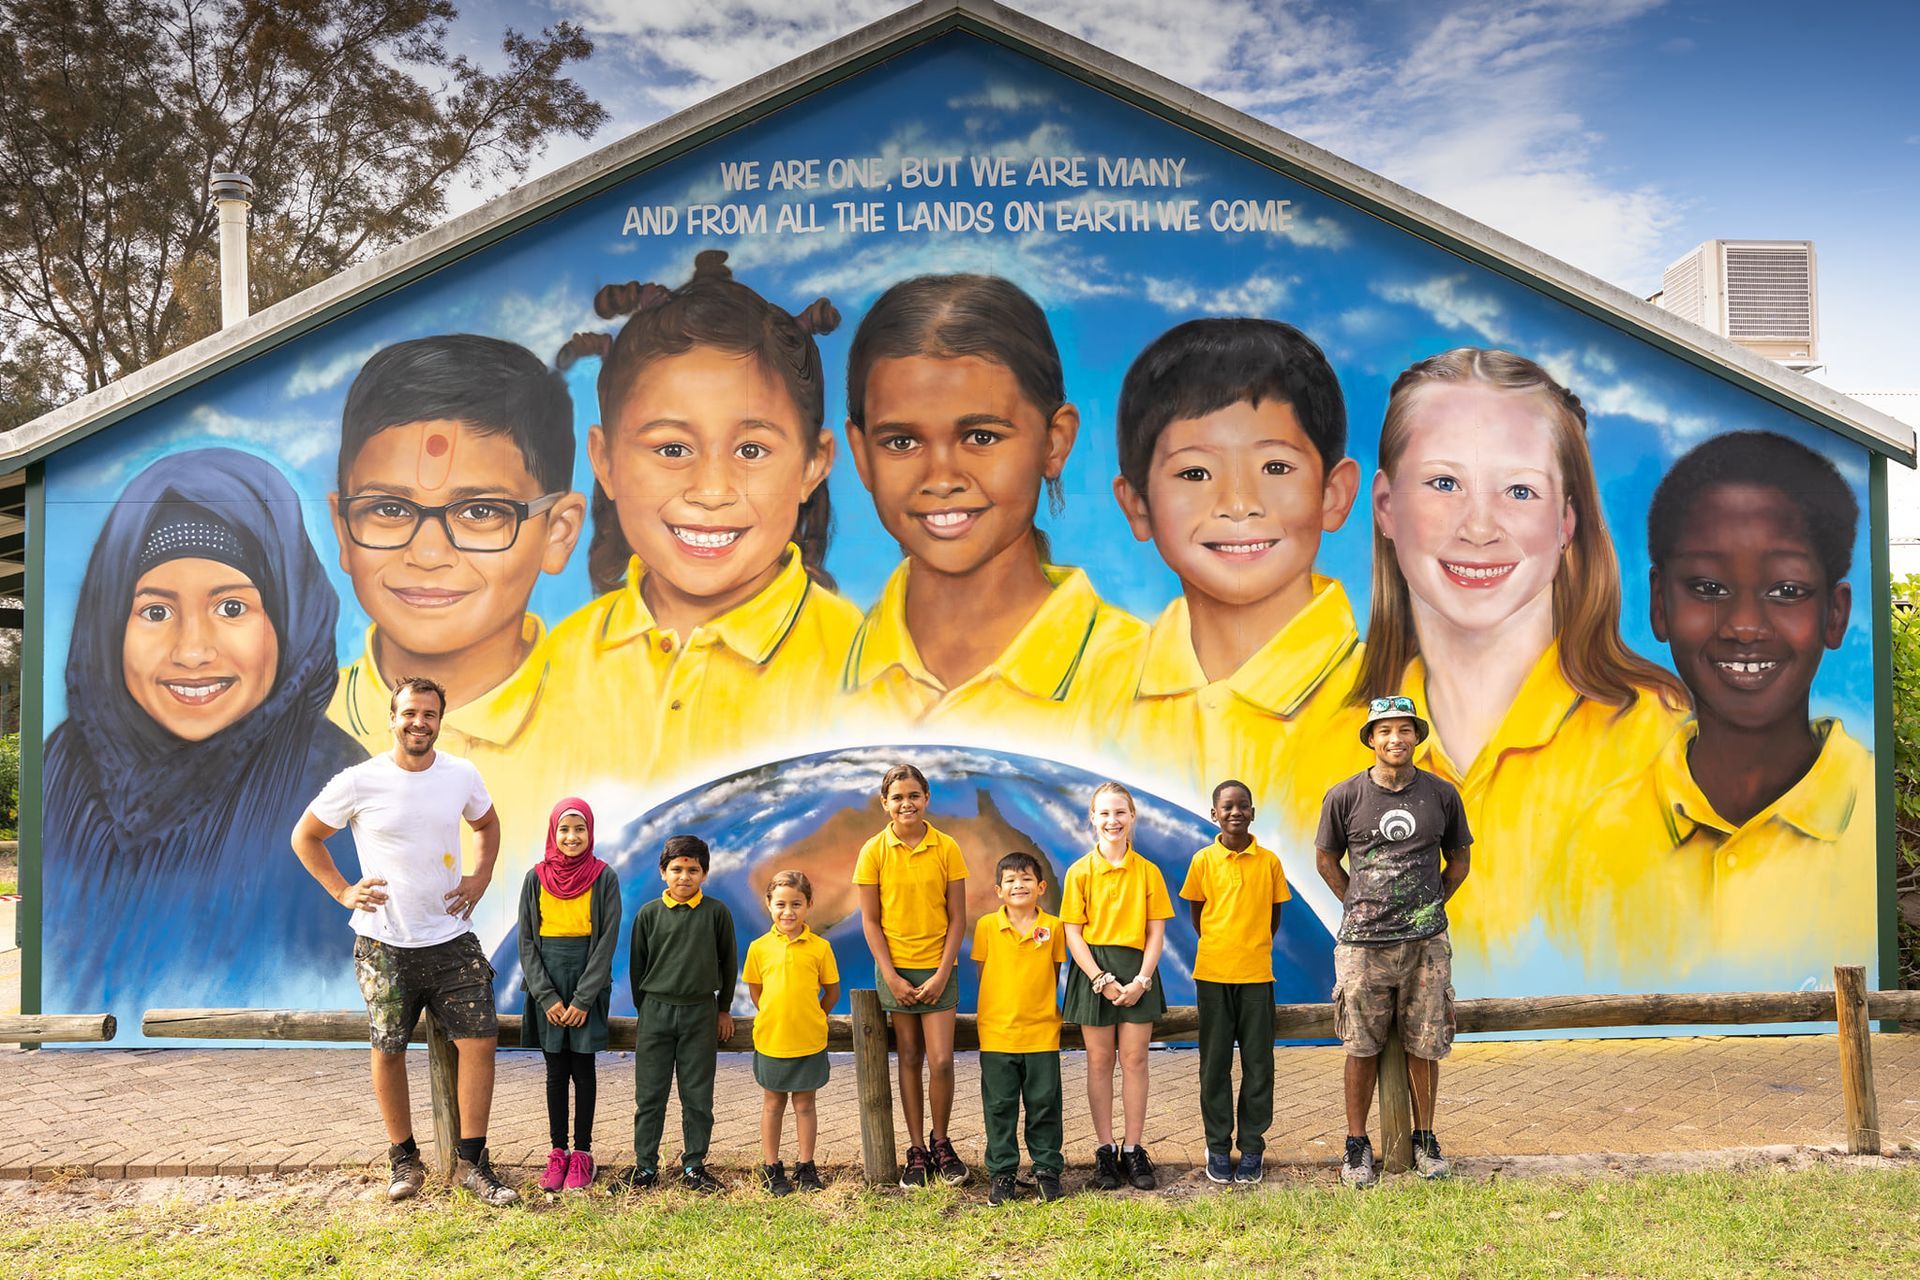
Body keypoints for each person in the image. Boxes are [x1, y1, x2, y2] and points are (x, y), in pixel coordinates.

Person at [1346, 348, 1685, 991]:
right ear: (1386, 506)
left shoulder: (1660, 738)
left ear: (1566, 522)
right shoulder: (1319, 733)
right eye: (1444, 483)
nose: (1479, 528)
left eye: (1520, 490)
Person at [45, 448, 367, 1034]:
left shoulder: (335, 783)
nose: (193, 650)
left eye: (231, 606)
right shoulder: (64, 771)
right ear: (109, 622)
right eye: (154, 611)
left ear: (288, 620)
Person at [1555, 431, 1871, 991]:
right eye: (1707, 587)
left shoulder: (1869, 812)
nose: (1744, 626)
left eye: (1787, 590)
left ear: (1835, 613)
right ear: (1660, 604)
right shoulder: (1599, 837)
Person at [544, 250, 861, 795]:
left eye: (751, 450)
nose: (712, 492)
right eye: (672, 448)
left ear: (813, 465)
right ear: (605, 461)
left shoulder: (860, 663)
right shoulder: (560, 661)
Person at [326, 335, 586, 904]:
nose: (427, 553)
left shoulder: (621, 720)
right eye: (389, 509)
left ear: (558, 532)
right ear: (343, 529)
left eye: (481, 511)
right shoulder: (305, 727)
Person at [840, 273, 1145, 740]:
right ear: (862, 456)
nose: (941, 479)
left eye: (981, 437)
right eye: (901, 442)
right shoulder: (819, 664)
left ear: (1055, 442)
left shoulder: (1146, 677)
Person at [1107, 318, 1367, 849]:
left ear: (1334, 494)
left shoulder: (1396, 703)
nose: (1238, 504)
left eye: (1276, 467)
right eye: (1195, 474)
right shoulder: (1094, 691)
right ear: (1138, 506)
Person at [291, 676, 515, 1206]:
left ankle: (472, 1163)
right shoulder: (358, 781)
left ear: (440, 720)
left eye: (429, 714)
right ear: (392, 718)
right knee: (389, 1047)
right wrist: (343, 891)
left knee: (480, 1041)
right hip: (383, 945)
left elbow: (486, 825)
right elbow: (306, 836)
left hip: (452, 940)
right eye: (409, 713)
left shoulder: (461, 775)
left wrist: (481, 877)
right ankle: (404, 1159)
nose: (419, 723)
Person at [1315, 696, 1472, 1189]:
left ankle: (1425, 1140)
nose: (1395, 738)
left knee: (1425, 1044)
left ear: (1417, 736)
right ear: (1371, 739)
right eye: (1384, 730)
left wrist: (1428, 908)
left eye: (1404, 729)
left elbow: (1459, 861)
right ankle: (1357, 1145)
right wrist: (1357, 904)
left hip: (1426, 945)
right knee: (1360, 1046)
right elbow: (1326, 861)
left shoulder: (1442, 795)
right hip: (1363, 947)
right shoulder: (1344, 796)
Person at [852, 763, 971, 1186]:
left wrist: (941, 973)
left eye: (914, 795)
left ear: (926, 798)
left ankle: (942, 1142)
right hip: (896, 970)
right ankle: (917, 1149)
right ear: (885, 803)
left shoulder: (947, 848)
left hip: (938, 968)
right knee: (908, 1057)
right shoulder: (874, 851)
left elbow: (958, 918)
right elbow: (871, 921)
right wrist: (891, 976)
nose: (907, 803)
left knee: (941, 1060)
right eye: (898, 797)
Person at [1060, 781, 1173, 1192]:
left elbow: (1155, 932)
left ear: (1132, 817)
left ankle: (1133, 1148)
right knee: (1099, 1061)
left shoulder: (1148, 872)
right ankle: (1105, 1149)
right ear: (1092, 818)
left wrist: (1142, 980)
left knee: (1136, 1060)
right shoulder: (1079, 872)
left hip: (1137, 970)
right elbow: (1073, 934)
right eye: (1104, 813)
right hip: (1094, 973)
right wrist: (1100, 979)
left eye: (1120, 812)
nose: (1113, 820)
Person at [1181, 779, 1290, 1184]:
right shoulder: (1202, 861)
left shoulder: (1270, 862)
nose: (1235, 812)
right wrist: (1221, 946)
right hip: (1212, 975)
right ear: (1214, 814)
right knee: (1215, 1065)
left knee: (1259, 1064)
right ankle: (1217, 1145)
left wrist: (1250, 947)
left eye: (1242, 805)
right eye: (1226, 806)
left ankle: (1252, 1147)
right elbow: (1198, 913)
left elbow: (1273, 917)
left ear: (1253, 813)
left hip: (1257, 976)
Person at [619, 833, 737, 1194]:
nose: (684, 877)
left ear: (704, 874)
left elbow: (729, 962)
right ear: (663, 872)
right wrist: (646, 1009)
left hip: (700, 1012)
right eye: (676, 869)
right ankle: (645, 1167)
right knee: (650, 1095)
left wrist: (723, 1009)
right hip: (655, 1012)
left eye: (693, 870)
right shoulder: (649, 914)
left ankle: (694, 1166)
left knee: (698, 1096)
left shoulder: (716, 912)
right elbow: (637, 966)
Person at [517, 798, 620, 1192]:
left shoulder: (603, 877)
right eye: (564, 829)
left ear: (590, 832)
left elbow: (607, 940)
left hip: (585, 984)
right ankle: (557, 1151)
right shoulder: (535, 878)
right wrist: (546, 996)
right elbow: (527, 941)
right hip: (548, 985)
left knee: (583, 1068)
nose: (572, 837)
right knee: (556, 1071)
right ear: (553, 832)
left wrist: (582, 999)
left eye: (580, 829)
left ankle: (583, 1154)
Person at [971, 851, 1068, 1205]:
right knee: (999, 1107)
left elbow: (1053, 974)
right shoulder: (986, 926)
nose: (1018, 885)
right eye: (1010, 880)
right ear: (999, 890)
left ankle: (1047, 1170)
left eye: (1026, 878)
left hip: (1042, 1034)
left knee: (1044, 1105)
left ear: (1041, 886)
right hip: (997, 1035)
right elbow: (984, 974)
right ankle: (1002, 1173)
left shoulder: (1054, 927)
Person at [743, 869, 841, 1196]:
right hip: (772, 1040)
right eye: (781, 904)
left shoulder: (820, 948)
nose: (788, 912)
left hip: (809, 1040)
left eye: (796, 904)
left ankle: (806, 1166)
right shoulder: (758, 948)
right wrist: (774, 1015)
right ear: (768, 904)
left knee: (805, 1104)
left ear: (809, 905)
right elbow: (756, 990)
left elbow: (832, 991)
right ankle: (772, 1167)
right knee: (773, 1103)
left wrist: (815, 1016)